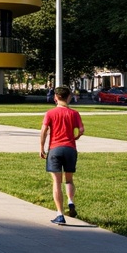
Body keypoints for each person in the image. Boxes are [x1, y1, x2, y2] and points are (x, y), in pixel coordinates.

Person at [39, 85, 85, 225]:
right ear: (69, 97)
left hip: (55, 149)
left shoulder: (50, 113)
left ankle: (60, 214)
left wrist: (41, 147)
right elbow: (81, 130)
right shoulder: (74, 113)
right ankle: (71, 201)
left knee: (56, 182)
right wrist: (75, 137)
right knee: (69, 180)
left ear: (55, 97)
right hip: (70, 149)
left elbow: (44, 130)